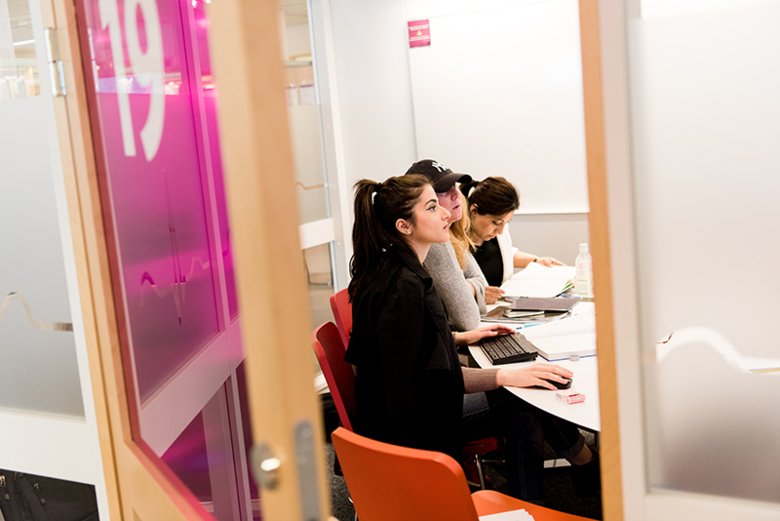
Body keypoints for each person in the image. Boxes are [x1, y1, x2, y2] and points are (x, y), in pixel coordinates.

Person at [345, 174, 599, 499]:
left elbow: (409, 350)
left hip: (405, 411)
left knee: (525, 396)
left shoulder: (397, 272)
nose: (449, 214)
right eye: (433, 207)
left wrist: (460, 339)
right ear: (404, 226)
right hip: (416, 427)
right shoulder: (406, 288)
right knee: (525, 396)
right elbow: (435, 382)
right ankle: (576, 469)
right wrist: (505, 375)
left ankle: (535, 495)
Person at [404, 159, 487, 331]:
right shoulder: (433, 242)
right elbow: (468, 319)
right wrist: (467, 290)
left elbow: (482, 281)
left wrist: (464, 288)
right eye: (443, 191)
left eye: (454, 186)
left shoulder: (448, 234)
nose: (456, 194)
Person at [460, 177, 564, 303]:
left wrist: (536, 260)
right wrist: (475, 294)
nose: (500, 231)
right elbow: (450, 290)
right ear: (474, 211)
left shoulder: (497, 234)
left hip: (500, 310)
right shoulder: (454, 243)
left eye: (505, 223)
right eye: (496, 222)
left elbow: (506, 255)